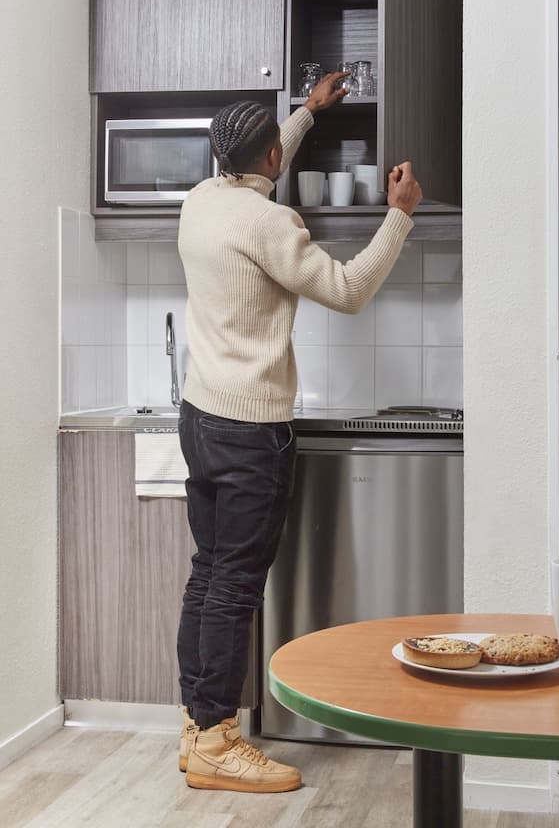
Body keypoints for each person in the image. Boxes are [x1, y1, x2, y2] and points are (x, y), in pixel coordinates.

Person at [176, 71, 423, 793]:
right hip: (250, 431)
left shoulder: (202, 199)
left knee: (208, 576)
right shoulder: (270, 222)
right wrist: (398, 215)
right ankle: (218, 740)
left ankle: (197, 727)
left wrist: (305, 115)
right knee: (232, 589)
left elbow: (255, 170)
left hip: (200, 417)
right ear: (271, 160)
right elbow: (347, 290)